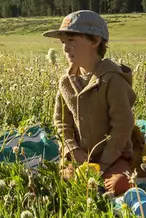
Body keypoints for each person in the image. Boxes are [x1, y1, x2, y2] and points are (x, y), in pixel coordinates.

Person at [43, 10, 140, 196]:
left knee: (119, 184)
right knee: (62, 182)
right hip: (80, 156)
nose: (65, 48)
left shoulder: (112, 80)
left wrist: (103, 164)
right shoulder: (66, 82)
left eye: (72, 40)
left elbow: (122, 125)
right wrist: (73, 150)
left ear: (95, 41)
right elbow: (61, 122)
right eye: (63, 42)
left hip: (114, 157)